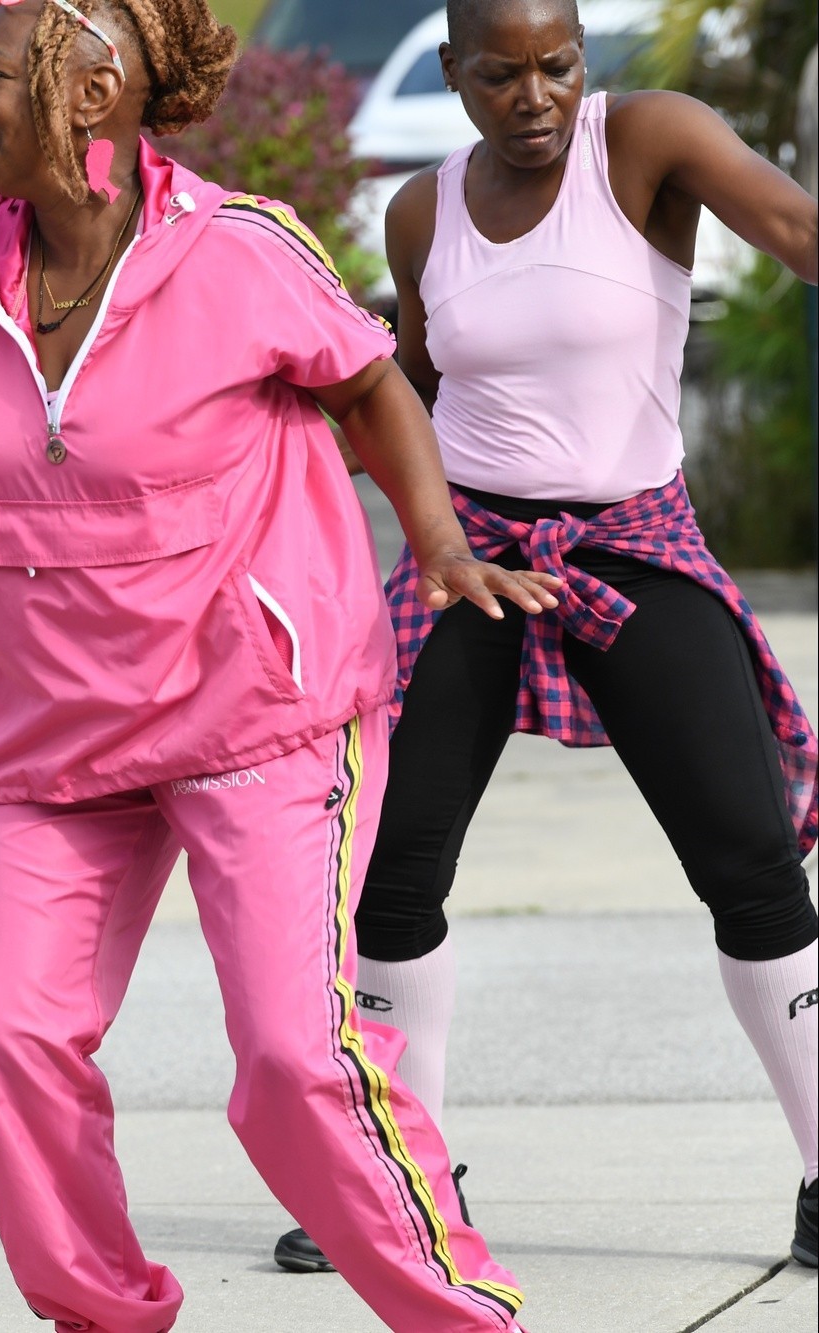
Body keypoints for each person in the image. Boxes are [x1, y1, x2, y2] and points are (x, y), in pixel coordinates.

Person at [0, 0, 566, 1326]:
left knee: (294, 1060)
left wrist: (437, 541)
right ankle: (105, 1311)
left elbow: (373, 389)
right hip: (55, 737)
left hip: (258, 710)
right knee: (8, 1050)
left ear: (89, 94)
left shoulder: (239, 249)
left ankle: (461, 1314)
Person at [272, 0, 819, 1276]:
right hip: (468, 558)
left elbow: (796, 229)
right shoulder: (421, 211)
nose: (535, 96)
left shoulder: (647, 141)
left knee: (748, 863)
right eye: (501, 74)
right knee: (388, 872)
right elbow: (405, 382)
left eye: (557, 66)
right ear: (454, 77)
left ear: (584, 60)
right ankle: (397, 1176)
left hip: (631, 541)